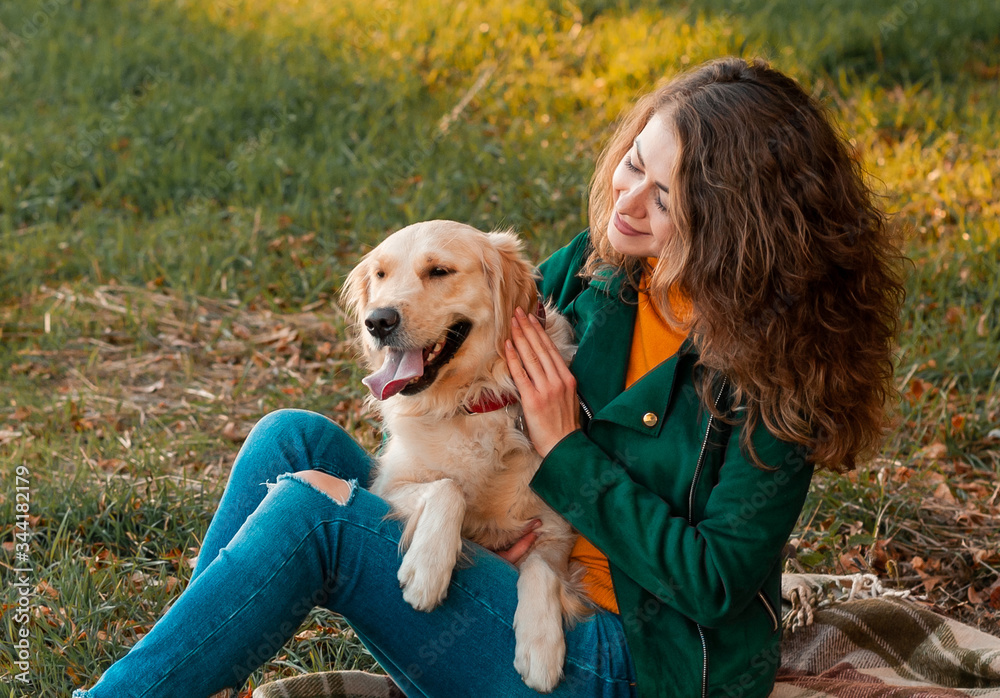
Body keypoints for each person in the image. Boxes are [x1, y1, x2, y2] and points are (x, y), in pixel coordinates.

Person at [74, 57, 903, 698]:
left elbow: (714, 585)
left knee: (310, 514)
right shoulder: (602, 271)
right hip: (505, 559)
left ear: (737, 222)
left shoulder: (775, 382)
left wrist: (565, 453)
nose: (629, 201)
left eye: (669, 193)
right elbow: (465, 364)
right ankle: (177, 670)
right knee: (292, 438)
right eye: (635, 163)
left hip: (628, 658)